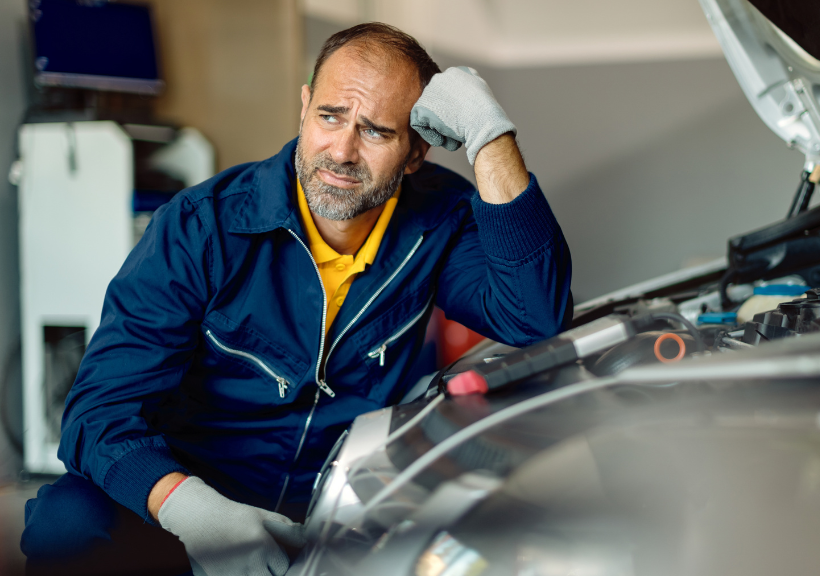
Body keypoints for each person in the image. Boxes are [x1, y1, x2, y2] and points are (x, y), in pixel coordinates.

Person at [21, 23, 572, 576]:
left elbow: (535, 317)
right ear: (304, 108)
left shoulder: (441, 219)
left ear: (414, 153)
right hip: (197, 494)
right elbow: (97, 415)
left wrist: (488, 133)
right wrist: (191, 510)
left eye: (377, 131)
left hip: (338, 503)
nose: (342, 151)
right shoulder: (200, 227)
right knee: (65, 523)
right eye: (330, 116)